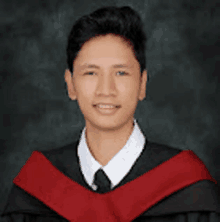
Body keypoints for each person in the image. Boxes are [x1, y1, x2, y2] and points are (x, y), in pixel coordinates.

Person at [1, 5, 219, 222]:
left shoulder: (188, 190)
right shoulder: (37, 188)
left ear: (142, 84)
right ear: (71, 85)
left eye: (121, 72)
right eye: (91, 73)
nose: (106, 90)